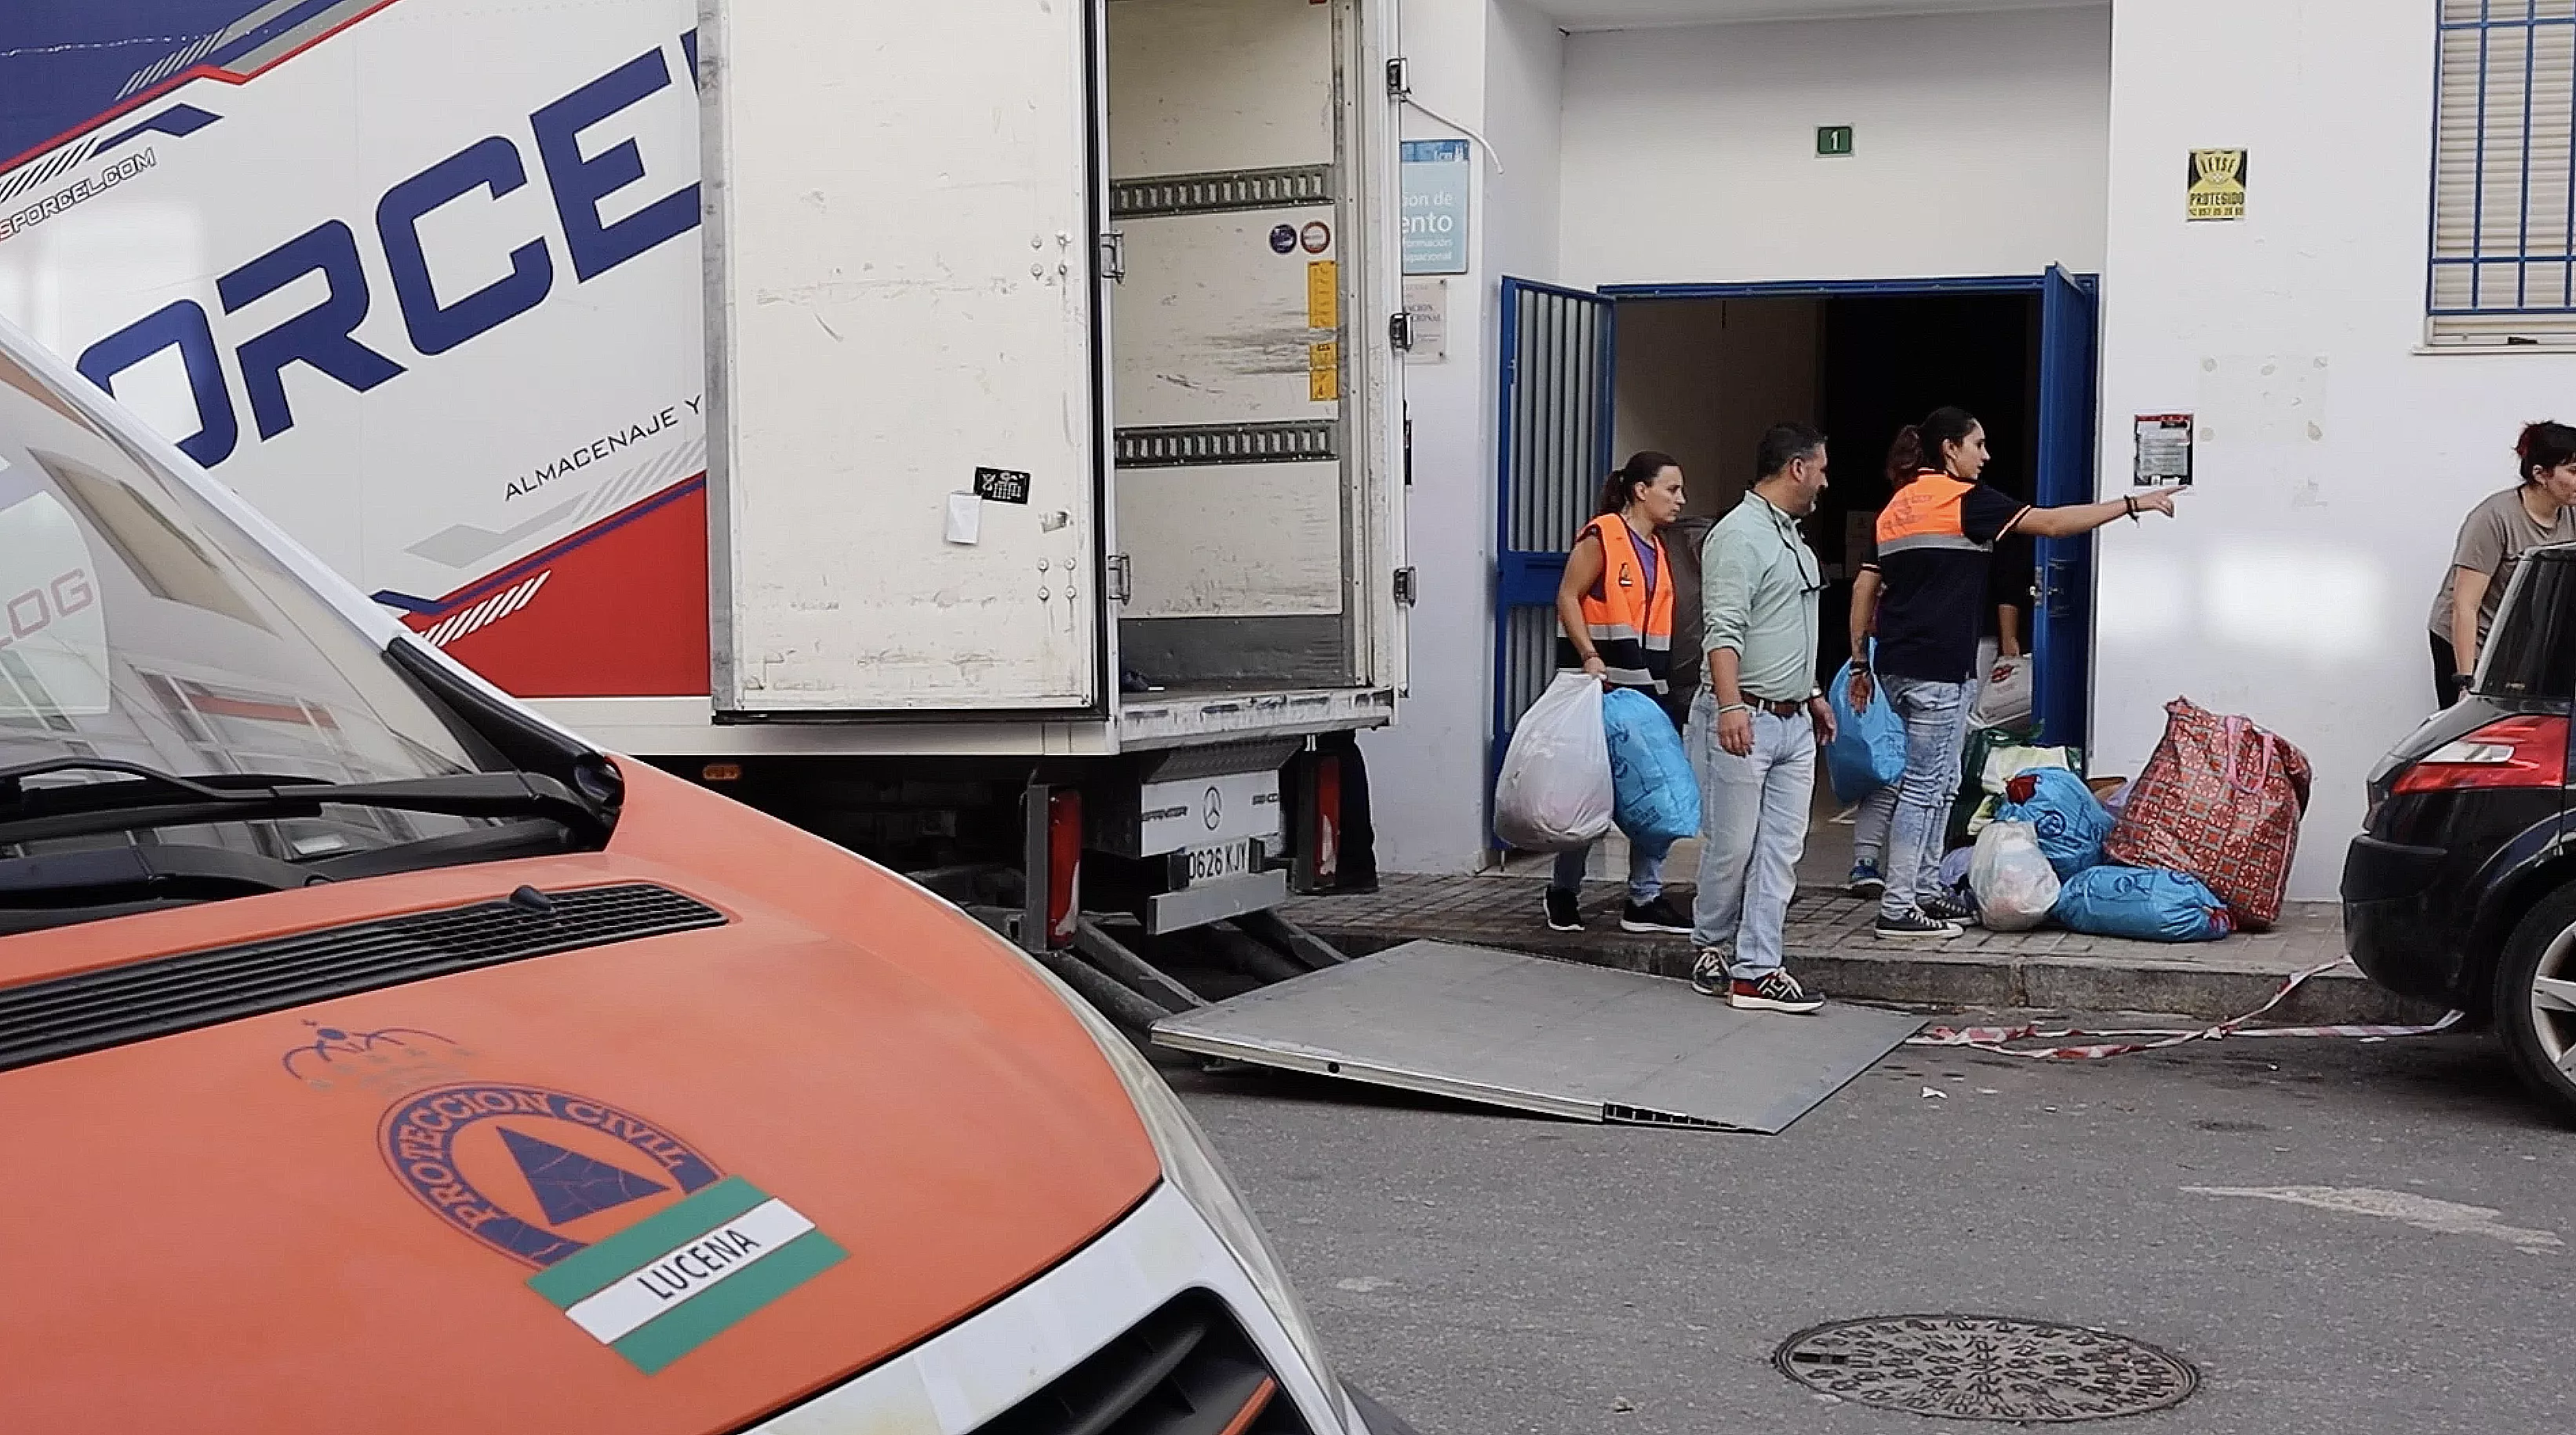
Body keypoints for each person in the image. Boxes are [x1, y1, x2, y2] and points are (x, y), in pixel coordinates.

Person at [1850, 406, 2179, 940]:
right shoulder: (1963, 500)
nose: (1985, 456)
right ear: (1949, 451)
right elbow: (2050, 523)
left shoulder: (1897, 507)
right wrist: (2132, 503)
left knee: (1943, 780)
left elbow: (1865, 588)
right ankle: (1899, 904)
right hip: (1939, 667)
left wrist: (1860, 660)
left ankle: (1928, 891)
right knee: (1925, 784)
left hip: (1896, 664)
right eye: (1977, 445)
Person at [1686, 424, 1835, 1012]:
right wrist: (1729, 706)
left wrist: (1814, 691)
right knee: (1735, 845)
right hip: (1745, 714)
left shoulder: (1792, 539)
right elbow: (1722, 629)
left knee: (1782, 847)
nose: (1826, 479)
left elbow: (1788, 629)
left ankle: (1756, 969)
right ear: (1797, 468)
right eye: (1821, 467)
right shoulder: (1740, 535)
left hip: (1793, 719)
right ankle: (1711, 946)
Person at [1545, 451, 1694, 935]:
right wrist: (1589, 654)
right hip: (1605, 689)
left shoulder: (1661, 549)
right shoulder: (1604, 535)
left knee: (1653, 790)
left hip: (1649, 691)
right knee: (1593, 790)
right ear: (1640, 490)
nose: (1680, 500)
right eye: (1671, 489)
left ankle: (1644, 898)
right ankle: (1564, 891)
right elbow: (1568, 595)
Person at [2429, 421, 2576, 707]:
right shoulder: (2493, 518)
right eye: (2573, 471)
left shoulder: (2571, 515)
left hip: (2518, 640)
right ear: (2540, 474)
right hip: (2471, 635)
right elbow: (2465, 606)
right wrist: (2465, 682)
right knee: (2471, 731)